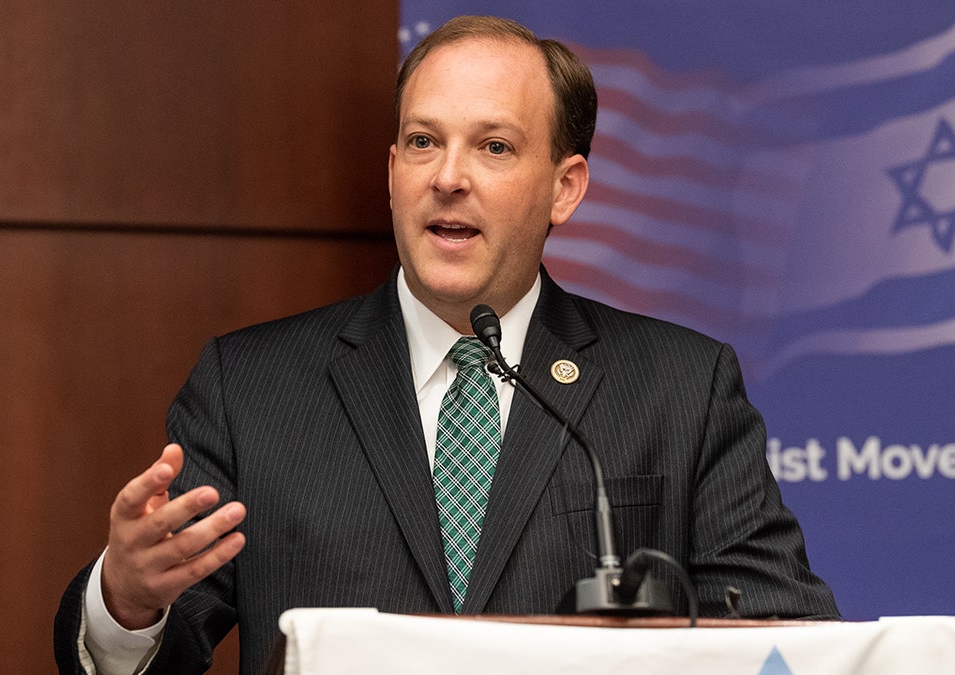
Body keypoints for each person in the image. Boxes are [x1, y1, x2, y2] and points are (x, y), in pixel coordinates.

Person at [55, 15, 839, 674]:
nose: (449, 177)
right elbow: (154, 650)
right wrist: (126, 598)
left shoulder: (681, 387)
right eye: (424, 142)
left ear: (565, 186)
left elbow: (784, 637)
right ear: (393, 172)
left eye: (494, 146)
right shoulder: (250, 387)